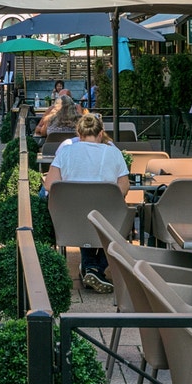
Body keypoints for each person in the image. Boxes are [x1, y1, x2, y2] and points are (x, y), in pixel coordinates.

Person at [47, 113, 127, 293]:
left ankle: (91, 269)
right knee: (119, 223)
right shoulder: (114, 153)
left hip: (71, 221)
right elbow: (123, 188)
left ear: (79, 134)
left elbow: (50, 185)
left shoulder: (66, 152)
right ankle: (95, 268)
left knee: (84, 213)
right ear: (101, 134)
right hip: (107, 219)